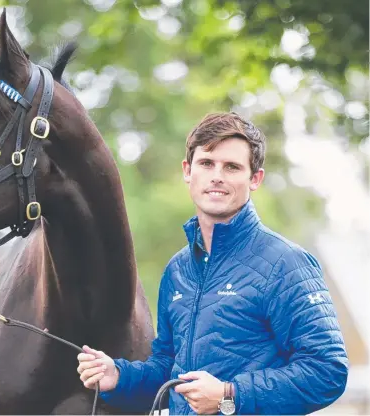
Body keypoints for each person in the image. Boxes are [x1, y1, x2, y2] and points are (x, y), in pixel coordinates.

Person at [77, 112, 349, 415]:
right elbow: (170, 371)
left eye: (232, 166)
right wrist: (120, 377)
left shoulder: (287, 264)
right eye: (207, 163)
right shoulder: (177, 270)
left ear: (255, 178)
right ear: (188, 171)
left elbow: (327, 371)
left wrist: (228, 394)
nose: (217, 175)